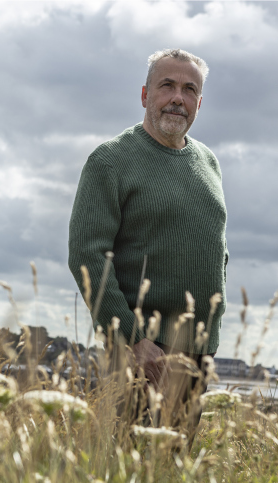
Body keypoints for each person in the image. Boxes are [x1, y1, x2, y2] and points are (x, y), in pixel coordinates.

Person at [68, 49, 228, 427]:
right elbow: (87, 255)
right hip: (143, 354)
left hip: (196, 354)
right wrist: (133, 338)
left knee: (174, 478)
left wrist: (209, 339)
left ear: (199, 103)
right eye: (167, 86)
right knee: (131, 475)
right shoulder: (110, 160)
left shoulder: (208, 161)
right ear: (145, 95)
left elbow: (215, 248)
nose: (178, 97)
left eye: (189, 89)